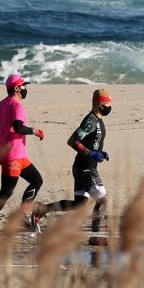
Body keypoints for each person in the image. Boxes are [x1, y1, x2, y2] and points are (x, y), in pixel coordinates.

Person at [34, 88, 113, 246]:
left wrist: (100, 152)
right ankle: (95, 236)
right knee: (103, 200)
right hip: (85, 168)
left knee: (78, 204)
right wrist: (91, 154)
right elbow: (73, 140)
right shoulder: (91, 121)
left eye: (110, 103)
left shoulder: (98, 121)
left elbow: (91, 142)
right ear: (98, 104)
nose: (109, 106)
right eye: (106, 104)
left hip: (84, 166)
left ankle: (42, 209)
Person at [0, 74, 45, 232]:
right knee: (6, 192)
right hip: (13, 157)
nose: (25, 89)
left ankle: (20, 216)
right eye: (23, 86)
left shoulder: (1, 105)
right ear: (16, 88)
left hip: (19, 156)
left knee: (36, 180)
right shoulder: (17, 106)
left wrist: (1, 131)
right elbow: (18, 127)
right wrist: (35, 131)